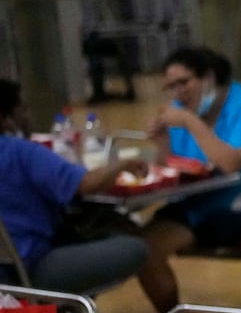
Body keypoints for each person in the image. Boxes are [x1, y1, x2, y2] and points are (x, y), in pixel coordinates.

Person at [138, 47, 241, 313]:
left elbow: (231, 162)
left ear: (209, 77)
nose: (178, 93)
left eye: (184, 82)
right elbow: (169, 171)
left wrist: (190, 122)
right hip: (199, 207)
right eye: (171, 87)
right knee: (142, 250)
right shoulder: (180, 111)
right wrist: (162, 144)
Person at [0, 80, 148, 293]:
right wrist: (122, 165)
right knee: (136, 247)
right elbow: (87, 184)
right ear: (6, 118)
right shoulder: (20, 152)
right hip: (28, 270)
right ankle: (72, 309)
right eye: (23, 109)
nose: (28, 115)